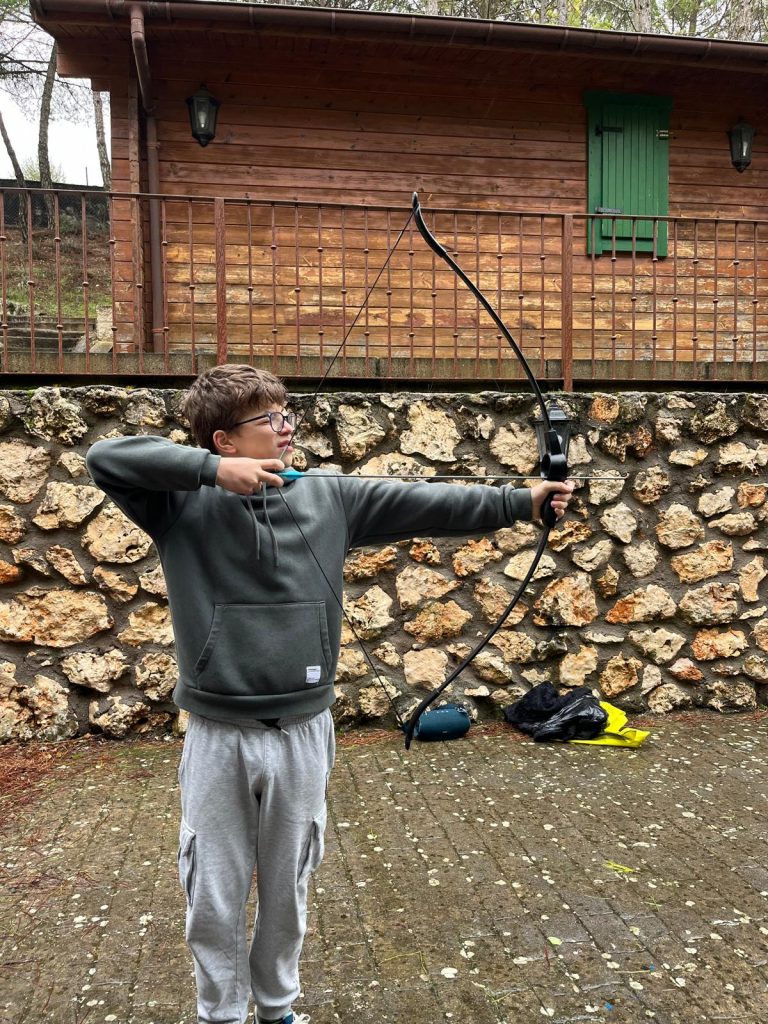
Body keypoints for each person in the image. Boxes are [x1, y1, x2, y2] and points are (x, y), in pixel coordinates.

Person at [86, 364, 574, 1024]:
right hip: (218, 733)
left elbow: (428, 502)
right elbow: (105, 456)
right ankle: (220, 1014)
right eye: (269, 419)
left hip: (303, 730)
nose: (287, 427)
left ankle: (276, 1008)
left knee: (288, 885)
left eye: (287, 413)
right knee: (213, 889)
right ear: (225, 440)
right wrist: (210, 474)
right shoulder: (177, 504)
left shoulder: (327, 497)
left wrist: (524, 501)